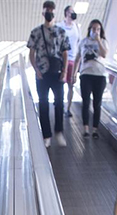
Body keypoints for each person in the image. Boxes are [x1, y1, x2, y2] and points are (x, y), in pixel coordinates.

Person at [28, 1, 71, 148]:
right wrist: (36, 70)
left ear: (55, 12)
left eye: (51, 11)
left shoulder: (61, 32)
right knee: (43, 103)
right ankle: (46, 135)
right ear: (43, 12)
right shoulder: (36, 32)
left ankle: (59, 131)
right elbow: (31, 53)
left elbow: (65, 53)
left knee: (59, 102)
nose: (49, 13)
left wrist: (65, 71)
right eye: (47, 10)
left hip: (58, 73)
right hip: (42, 74)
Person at [74, 18, 107, 137]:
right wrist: (74, 74)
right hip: (86, 74)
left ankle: (95, 129)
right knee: (86, 101)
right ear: (90, 29)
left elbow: (104, 54)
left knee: (97, 103)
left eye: (98, 29)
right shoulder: (83, 42)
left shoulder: (103, 41)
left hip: (99, 76)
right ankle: (86, 128)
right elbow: (77, 58)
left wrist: (98, 41)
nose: (96, 31)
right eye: (94, 29)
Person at [58, 5, 81, 119]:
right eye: (71, 12)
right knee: (61, 84)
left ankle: (68, 108)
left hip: (72, 59)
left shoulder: (76, 26)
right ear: (66, 12)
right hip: (61, 59)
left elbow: (79, 43)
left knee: (71, 84)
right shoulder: (60, 26)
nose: (73, 14)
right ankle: (60, 105)